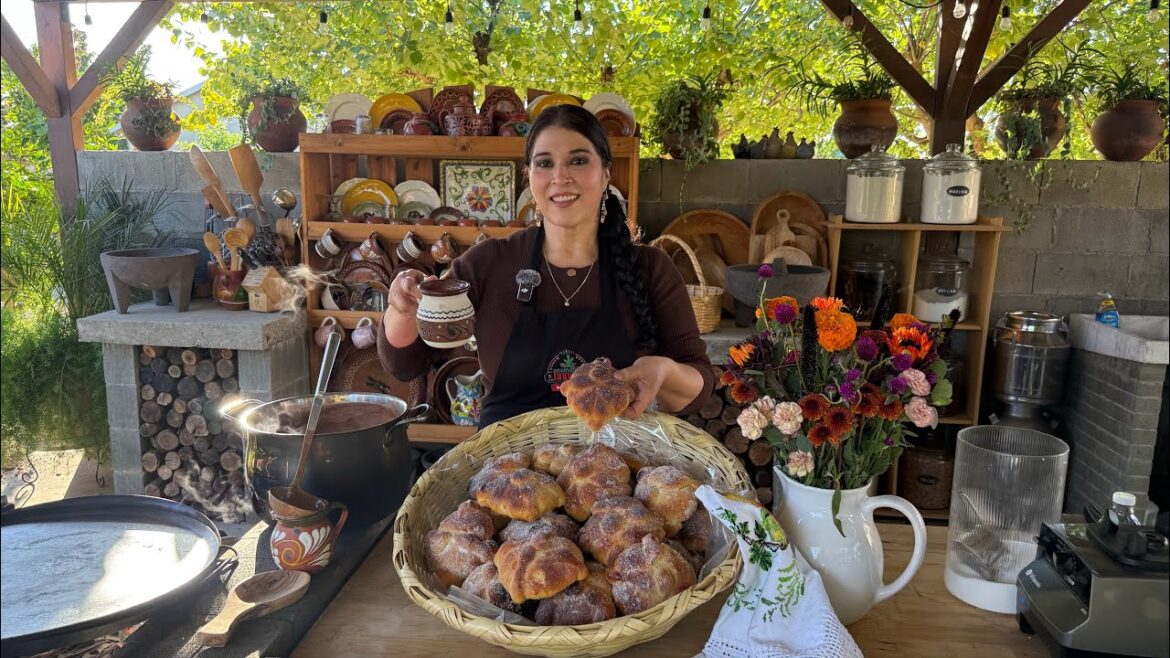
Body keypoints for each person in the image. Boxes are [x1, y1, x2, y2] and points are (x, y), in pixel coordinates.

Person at [378, 104, 714, 428]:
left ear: (606, 173)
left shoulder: (651, 268)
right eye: (544, 163)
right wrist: (401, 307)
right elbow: (406, 363)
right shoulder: (486, 264)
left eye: (578, 160)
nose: (560, 176)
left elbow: (698, 388)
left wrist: (665, 373)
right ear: (529, 176)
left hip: (612, 472)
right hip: (505, 475)